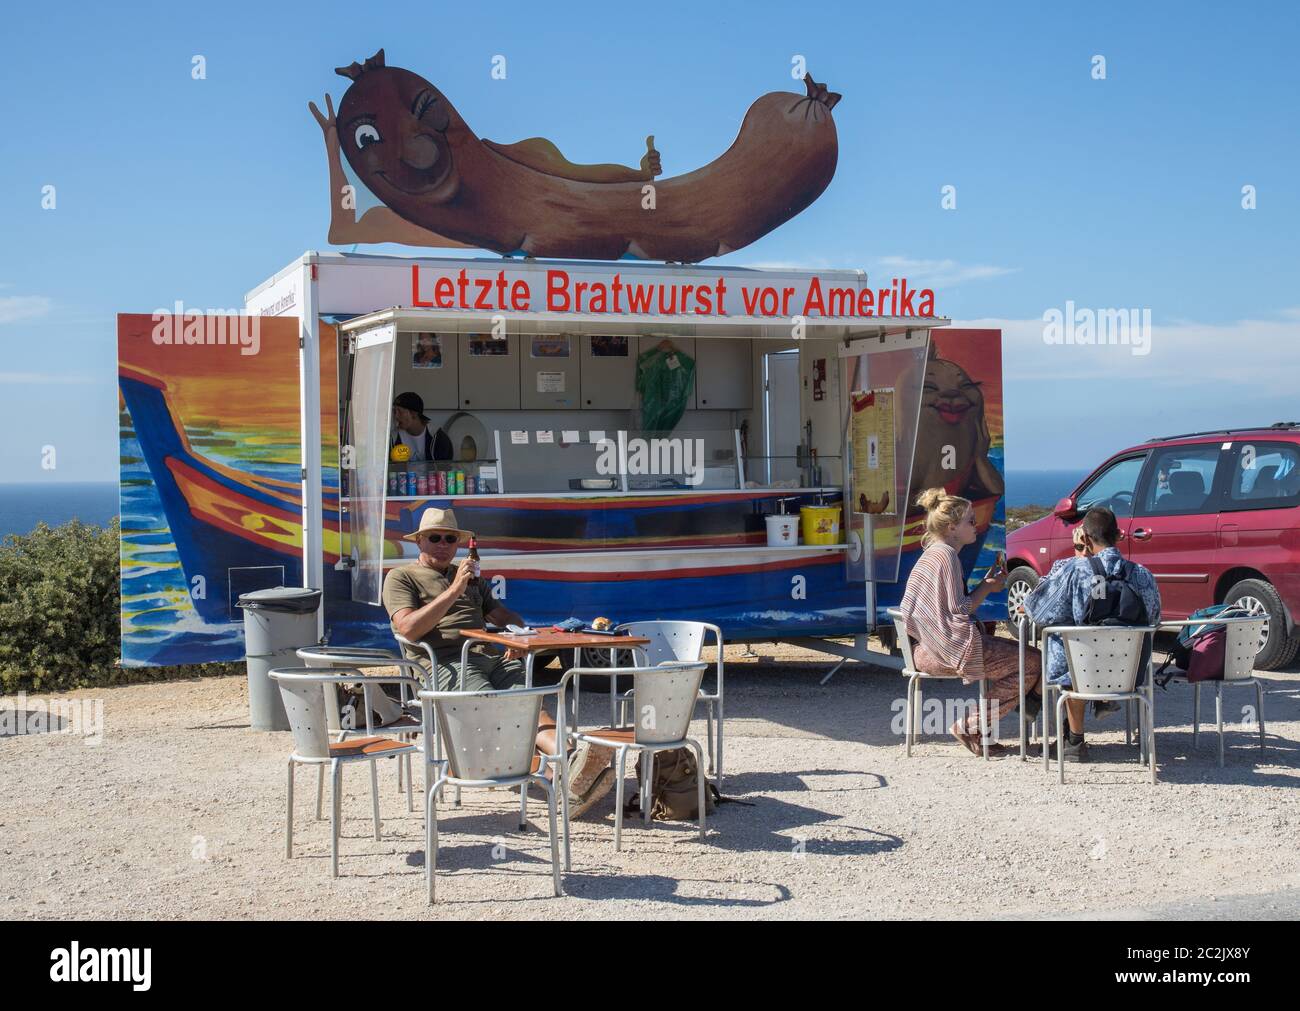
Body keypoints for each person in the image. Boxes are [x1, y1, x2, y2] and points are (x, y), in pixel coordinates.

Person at [382, 507, 615, 813]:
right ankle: (558, 777)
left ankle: (571, 762)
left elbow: (504, 615)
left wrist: (516, 636)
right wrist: (454, 590)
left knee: (528, 702)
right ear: (419, 542)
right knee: (498, 708)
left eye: (449, 539)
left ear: (458, 543)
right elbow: (409, 629)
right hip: (446, 663)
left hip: (488, 654)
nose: (443, 544)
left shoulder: (470, 578)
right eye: (434, 537)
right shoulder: (402, 578)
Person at [899, 488, 1043, 756]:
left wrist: (984, 585)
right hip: (946, 650)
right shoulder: (947, 557)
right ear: (952, 527)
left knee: (1027, 659)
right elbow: (960, 608)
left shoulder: (932, 553)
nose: (976, 526)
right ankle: (973, 725)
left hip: (925, 649)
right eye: (970, 522)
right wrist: (987, 588)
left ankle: (1016, 708)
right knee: (1034, 662)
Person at [1022, 506, 1161, 761]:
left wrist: (1078, 556)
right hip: (1128, 673)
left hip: (1083, 672)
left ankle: (1072, 738)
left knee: (1068, 640)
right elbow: (1154, 618)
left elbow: (1037, 611)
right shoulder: (1143, 575)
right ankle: (1095, 710)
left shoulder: (1074, 570)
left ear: (1084, 538)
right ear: (1118, 535)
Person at [392, 392, 453, 462]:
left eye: (400, 412)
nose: (396, 416)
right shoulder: (392, 439)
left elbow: (444, 469)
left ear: (414, 413)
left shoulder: (438, 438)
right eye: (394, 411)